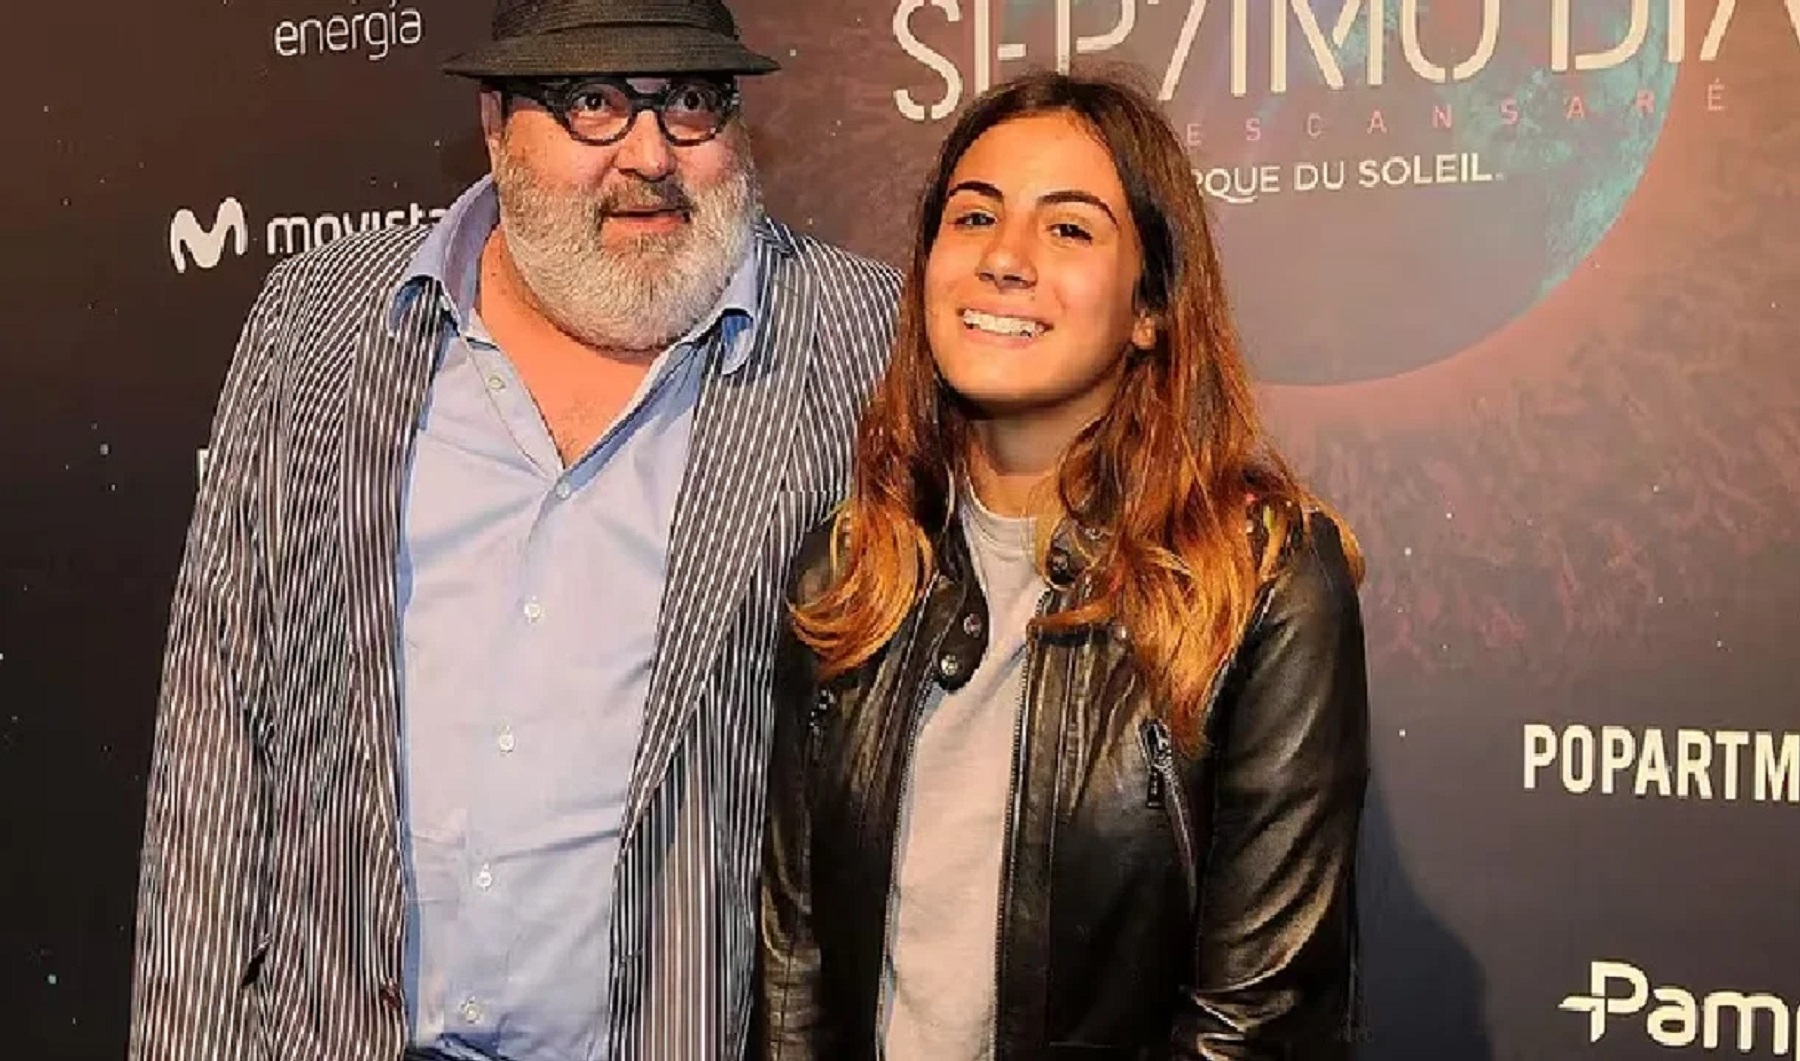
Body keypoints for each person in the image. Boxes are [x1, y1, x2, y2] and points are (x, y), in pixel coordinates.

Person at [127, 1, 900, 1058]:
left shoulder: (863, 338)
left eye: (689, 103)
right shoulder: (320, 322)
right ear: (495, 126)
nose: (649, 156)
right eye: (591, 103)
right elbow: (218, 730)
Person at [758, 70, 1370, 1059]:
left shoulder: (1262, 579)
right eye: (973, 217)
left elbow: (1256, 1021)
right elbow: (794, 965)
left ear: (1150, 305)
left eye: (1070, 229)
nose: (1005, 258)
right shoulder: (849, 568)